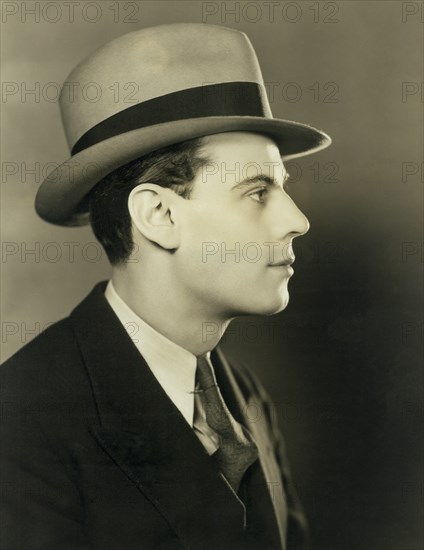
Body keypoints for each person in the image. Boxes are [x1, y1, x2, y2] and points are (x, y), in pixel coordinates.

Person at [0, 23, 331, 550]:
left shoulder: (246, 398)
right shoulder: (22, 419)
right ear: (158, 214)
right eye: (258, 191)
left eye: (282, 188)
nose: (298, 220)